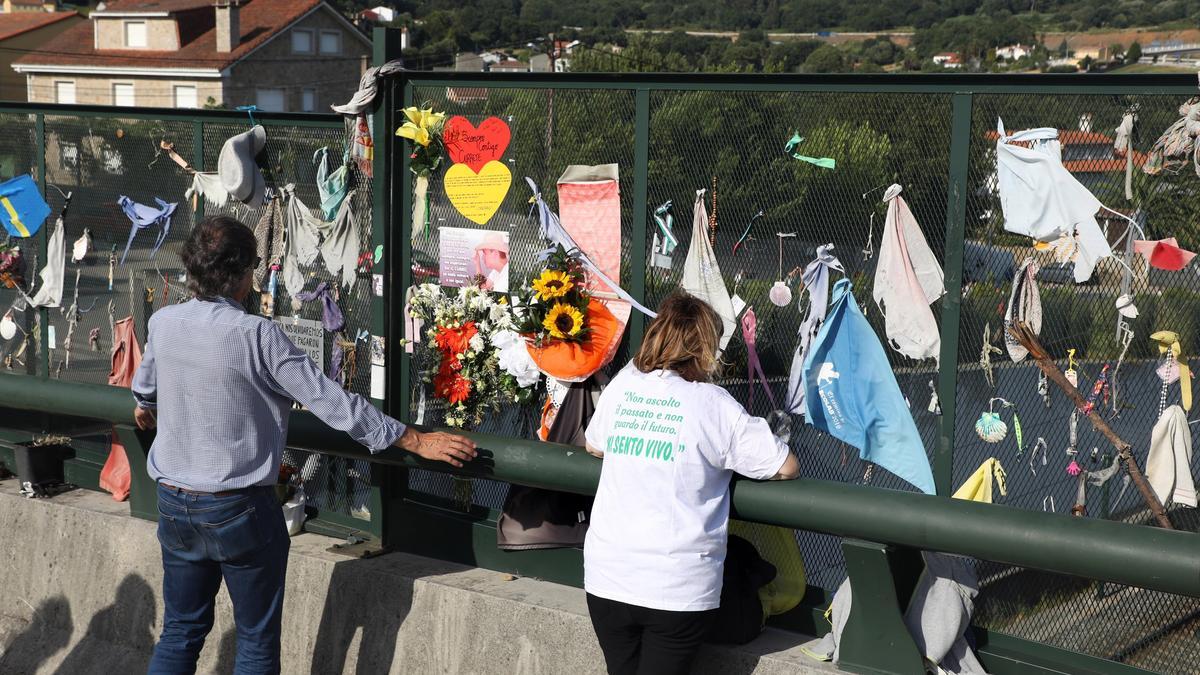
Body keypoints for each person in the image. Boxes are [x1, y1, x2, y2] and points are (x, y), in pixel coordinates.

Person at [131, 216, 475, 675]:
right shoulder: (258, 336)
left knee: (180, 631)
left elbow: (144, 391)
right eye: (253, 265)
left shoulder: (164, 322)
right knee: (254, 641)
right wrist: (413, 438)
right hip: (239, 508)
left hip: (174, 502)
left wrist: (147, 406)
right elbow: (331, 400)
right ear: (239, 274)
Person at [583, 292, 800, 675]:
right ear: (705, 348)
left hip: (608, 576)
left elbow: (594, 444)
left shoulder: (624, 386)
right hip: (675, 587)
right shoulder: (713, 404)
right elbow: (786, 466)